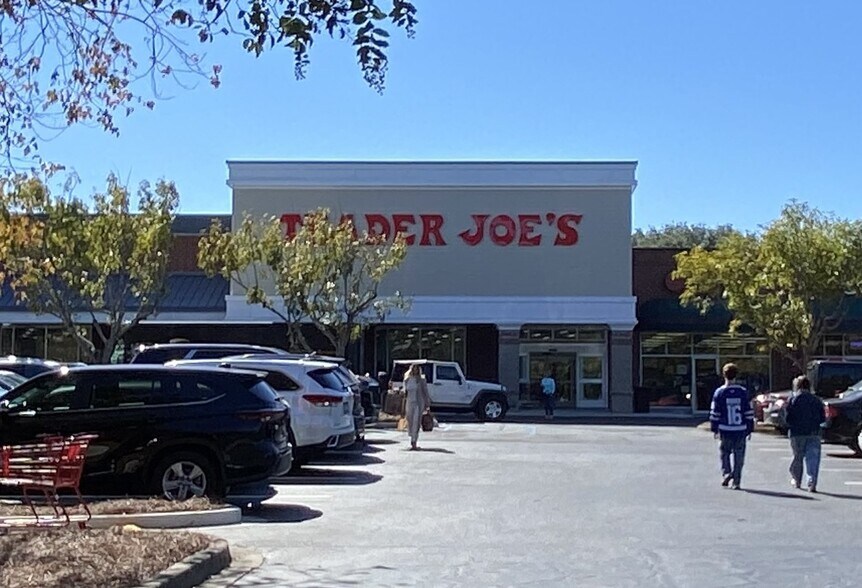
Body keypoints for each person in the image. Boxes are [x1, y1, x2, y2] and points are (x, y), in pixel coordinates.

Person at [709, 363, 754, 490]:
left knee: (725, 453)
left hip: (725, 428)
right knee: (739, 456)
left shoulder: (719, 392)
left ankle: (726, 473)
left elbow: (715, 413)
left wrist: (714, 428)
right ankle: (736, 481)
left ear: (724, 375)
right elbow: (748, 412)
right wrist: (750, 428)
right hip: (740, 429)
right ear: (736, 375)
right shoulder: (743, 392)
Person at [785, 375, 825, 492]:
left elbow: (788, 418)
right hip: (814, 432)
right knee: (813, 458)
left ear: (797, 386)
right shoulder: (816, 400)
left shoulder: (793, 400)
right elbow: (822, 418)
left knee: (798, 457)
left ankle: (797, 480)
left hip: (797, 433)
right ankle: (811, 481)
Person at [403, 363, 432, 450]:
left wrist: (427, 404)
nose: (415, 370)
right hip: (409, 402)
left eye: (417, 368)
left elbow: (425, 391)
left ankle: (414, 441)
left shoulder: (421, 379)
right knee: (410, 422)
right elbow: (405, 391)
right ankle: (412, 437)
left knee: (416, 422)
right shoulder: (407, 379)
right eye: (414, 368)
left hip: (418, 403)